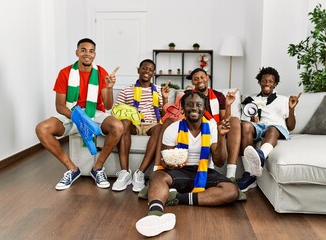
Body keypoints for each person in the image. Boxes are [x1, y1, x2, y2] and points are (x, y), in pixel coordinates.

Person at [135, 91, 239, 237]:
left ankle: (176, 198)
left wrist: (221, 137)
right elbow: (165, 159)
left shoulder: (213, 128)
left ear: (204, 109)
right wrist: (170, 164)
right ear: (183, 108)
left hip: (204, 172)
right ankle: (155, 213)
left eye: (198, 105)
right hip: (180, 171)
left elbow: (219, 162)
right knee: (157, 176)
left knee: (231, 191)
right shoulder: (173, 128)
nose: (194, 108)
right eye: (189, 105)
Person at [35, 38, 123, 191]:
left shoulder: (101, 72)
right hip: (72, 112)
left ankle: (97, 168)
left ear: (95, 54)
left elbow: (108, 106)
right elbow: (60, 106)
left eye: (91, 51)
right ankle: (72, 170)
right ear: (77, 52)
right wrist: (80, 119)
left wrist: (109, 88)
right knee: (42, 128)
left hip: (94, 113)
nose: (87, 54)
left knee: (118, 126)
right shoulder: (65, 73)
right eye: (83, 50)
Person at [154, 68, 241, 180]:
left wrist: (228, 105)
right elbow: (172, 113)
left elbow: (225, 120)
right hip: (189, 125)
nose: (200, 80)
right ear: (192, 82)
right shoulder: (186, 95)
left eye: (202, 77)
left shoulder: (218, 96)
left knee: (235, 120)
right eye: (196, 79)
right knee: (168, 121)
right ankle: (157, 169)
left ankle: (231, 175)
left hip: (213, 126)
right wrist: (165, 98)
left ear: (207, 78)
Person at [237, 67, 301, 192]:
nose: (267, 84)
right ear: (259, 82)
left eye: (271, 81)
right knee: (244, 126)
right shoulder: (251, 101)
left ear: (275, 84)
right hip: (258, 127)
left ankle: (260, 156)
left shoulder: (284, 100)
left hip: (275, 128)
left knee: (272, 129)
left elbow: (291, 127)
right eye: (264, 81)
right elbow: (245, 122)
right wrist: (252, 120)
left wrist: (291, 109)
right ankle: (250, 174)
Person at [112, 59, 170, 192]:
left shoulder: (158, 91)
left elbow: (164, 116)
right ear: (138, 70)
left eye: (150, 70)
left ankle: (140, 174)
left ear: (153, 73)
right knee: (124, 122)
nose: (147, 71)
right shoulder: (127, 90)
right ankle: (124, 173)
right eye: (144, 68)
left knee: (160, 127)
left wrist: (165, 98)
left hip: (152, 124)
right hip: (133, 124)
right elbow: (116, 111)